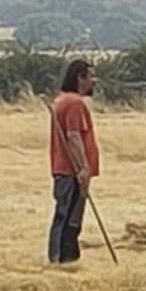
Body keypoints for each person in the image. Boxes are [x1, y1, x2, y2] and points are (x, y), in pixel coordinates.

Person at [48, 59, 99, 265]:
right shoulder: (75, 103)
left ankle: (65, 257)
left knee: (67, 216)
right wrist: (83, 167)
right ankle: (61, 259)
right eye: (91, 76)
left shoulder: (61, 101)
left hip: (66, 170)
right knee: (68, 218)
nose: (94, 81)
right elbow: (74, 136)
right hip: (71, 171)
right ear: (80, 77)